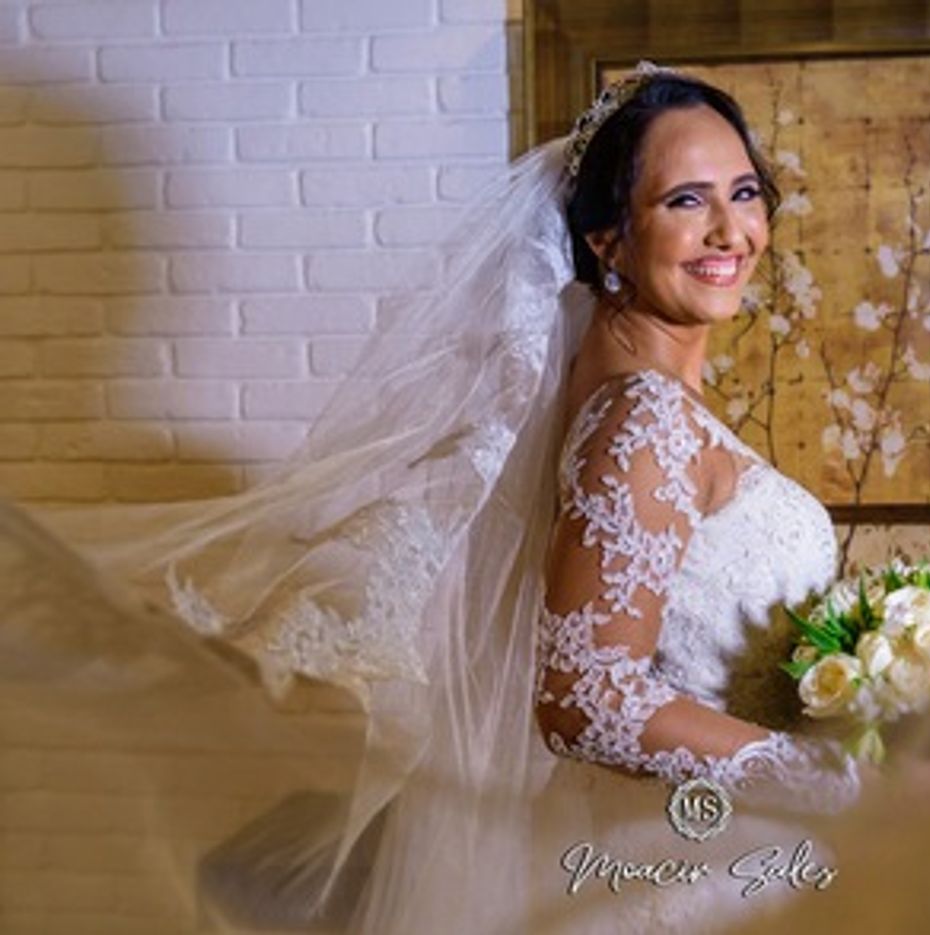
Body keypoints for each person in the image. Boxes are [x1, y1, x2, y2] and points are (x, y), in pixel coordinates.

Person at [0, 62, 877, 934]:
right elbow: (587, 696)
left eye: (744, 192)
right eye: (686, 200)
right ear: (608, 238)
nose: (730, 230)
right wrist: (828, 775)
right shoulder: (643, 415)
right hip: (673, 868)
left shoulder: (627, 399)